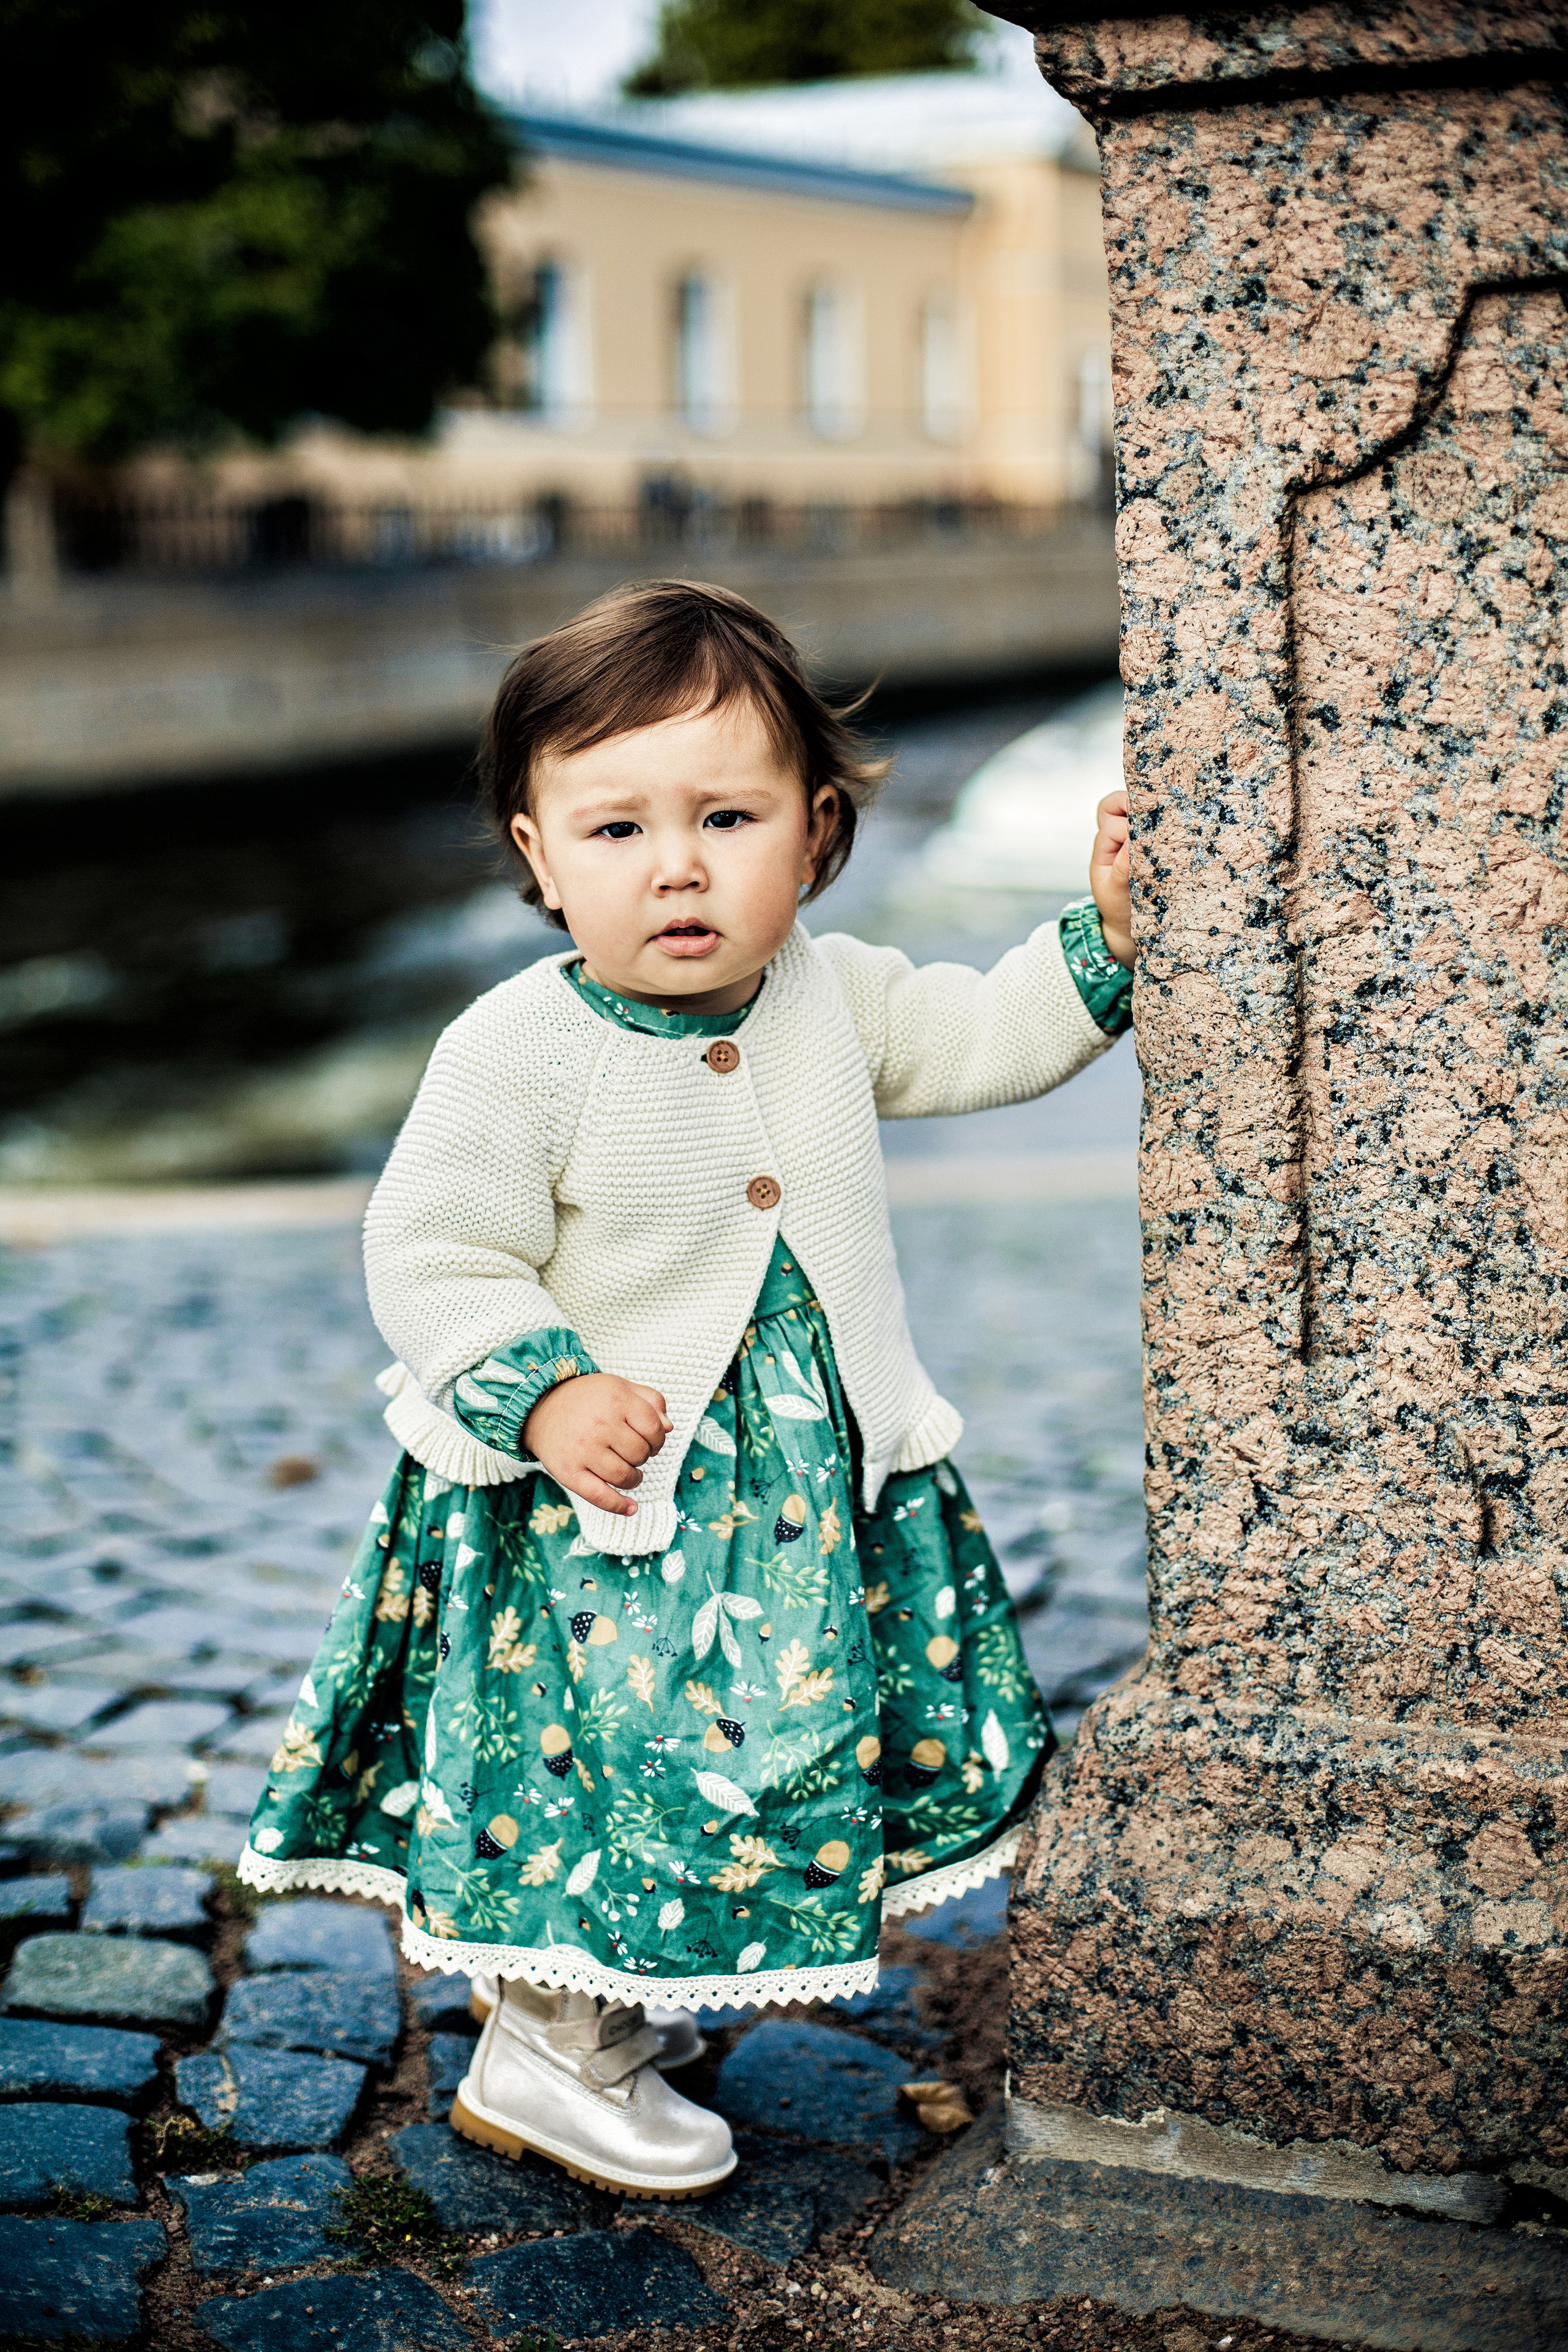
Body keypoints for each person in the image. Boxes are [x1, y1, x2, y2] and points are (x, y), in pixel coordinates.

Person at [239, 580, 1135, 2201]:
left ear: (819, 833)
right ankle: (553, 2048)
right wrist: (542, 1394)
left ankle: (612, 2015)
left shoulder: (834, 994)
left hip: (790, 1495)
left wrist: (1106, 946)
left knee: (729, 1759)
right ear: (534, 852)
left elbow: (985, 1033)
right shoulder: (516, 1051)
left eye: (728, 815)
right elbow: (434, 1247)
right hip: (603, 1511)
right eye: (614, 829)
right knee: (591, 1767)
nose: (676, 866)